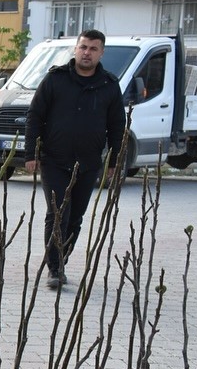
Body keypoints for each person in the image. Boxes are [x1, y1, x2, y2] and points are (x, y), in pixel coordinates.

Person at [22, 29, 125, 290]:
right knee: (57, 214)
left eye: (93, 49)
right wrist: (31, 153)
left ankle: (61, 259)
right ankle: (54, 269)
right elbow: (35, 117)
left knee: (75, 217)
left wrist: (114, 162)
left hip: (88, 163)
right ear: (75, 49)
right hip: (54, 160)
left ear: (101, 53)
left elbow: (116, 126)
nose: (86, 52)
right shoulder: (55, 80)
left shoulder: (110, 86)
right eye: (83, 47)